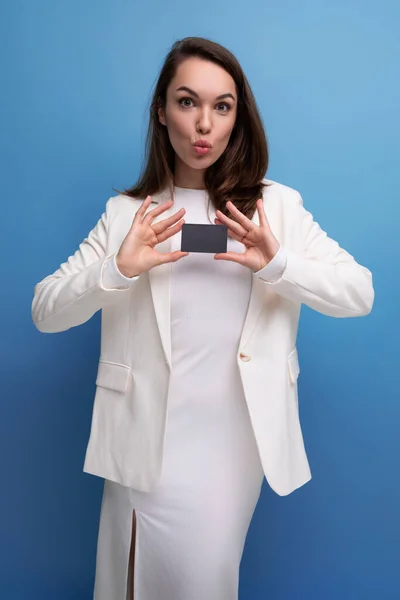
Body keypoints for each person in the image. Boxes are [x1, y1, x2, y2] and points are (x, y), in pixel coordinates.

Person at [31, 36, 374, 600]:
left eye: (222, 106)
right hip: (143, 450)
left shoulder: (275, 209)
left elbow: (359, 293)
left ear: (239, 118)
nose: (203, 125)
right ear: (161, 112)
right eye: (187, 102)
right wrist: (117, 269)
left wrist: (278, 263)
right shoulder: (126, 216)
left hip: (230, 453)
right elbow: (45, 310)